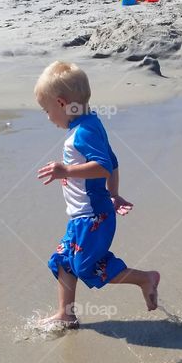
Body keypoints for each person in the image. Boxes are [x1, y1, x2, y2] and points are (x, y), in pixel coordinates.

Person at [35, 61, 159, 329]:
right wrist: (114, 194)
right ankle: (65, 314)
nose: (48, 117)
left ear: (61, 102)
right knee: (63, 261)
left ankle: (144, 278)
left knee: (86, 267)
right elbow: (112, 162)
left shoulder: (83, 132)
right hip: (81, 217)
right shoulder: (90, 124)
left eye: (47, 110)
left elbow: (102, 167)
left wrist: (66, 170)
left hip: (93, 218)